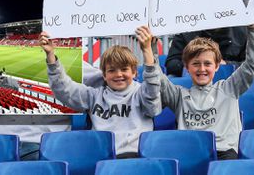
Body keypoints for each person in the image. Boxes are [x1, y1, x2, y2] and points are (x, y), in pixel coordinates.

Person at [39, 26, 162, 158]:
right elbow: (64, 89)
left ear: (134, 72)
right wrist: (50, 56)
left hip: (134, 157)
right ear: (103, 75)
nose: (118, 74)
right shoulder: (94, 96)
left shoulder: (142, 93)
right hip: (100, 158)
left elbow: (152, 90)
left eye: (124, 69)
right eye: (111, 70)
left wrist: (147, 50)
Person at [149, 24, 254, 160]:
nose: (202, 69)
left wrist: (252, 30)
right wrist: (151, 47)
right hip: (190, 157)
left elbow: (252, 66)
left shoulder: (230, 88)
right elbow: (157, 78)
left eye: (207, 64)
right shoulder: (178, 95)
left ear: (217, 66)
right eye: (196, 64)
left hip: (224, 155)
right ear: (186, 67)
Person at [165, 26, 247, 77]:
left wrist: (227, 64)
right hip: (191, 84)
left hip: (230, 81)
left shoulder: (241, 32)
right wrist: (194, 64)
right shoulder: (187, 30)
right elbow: (171, 64)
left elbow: (252, 66)